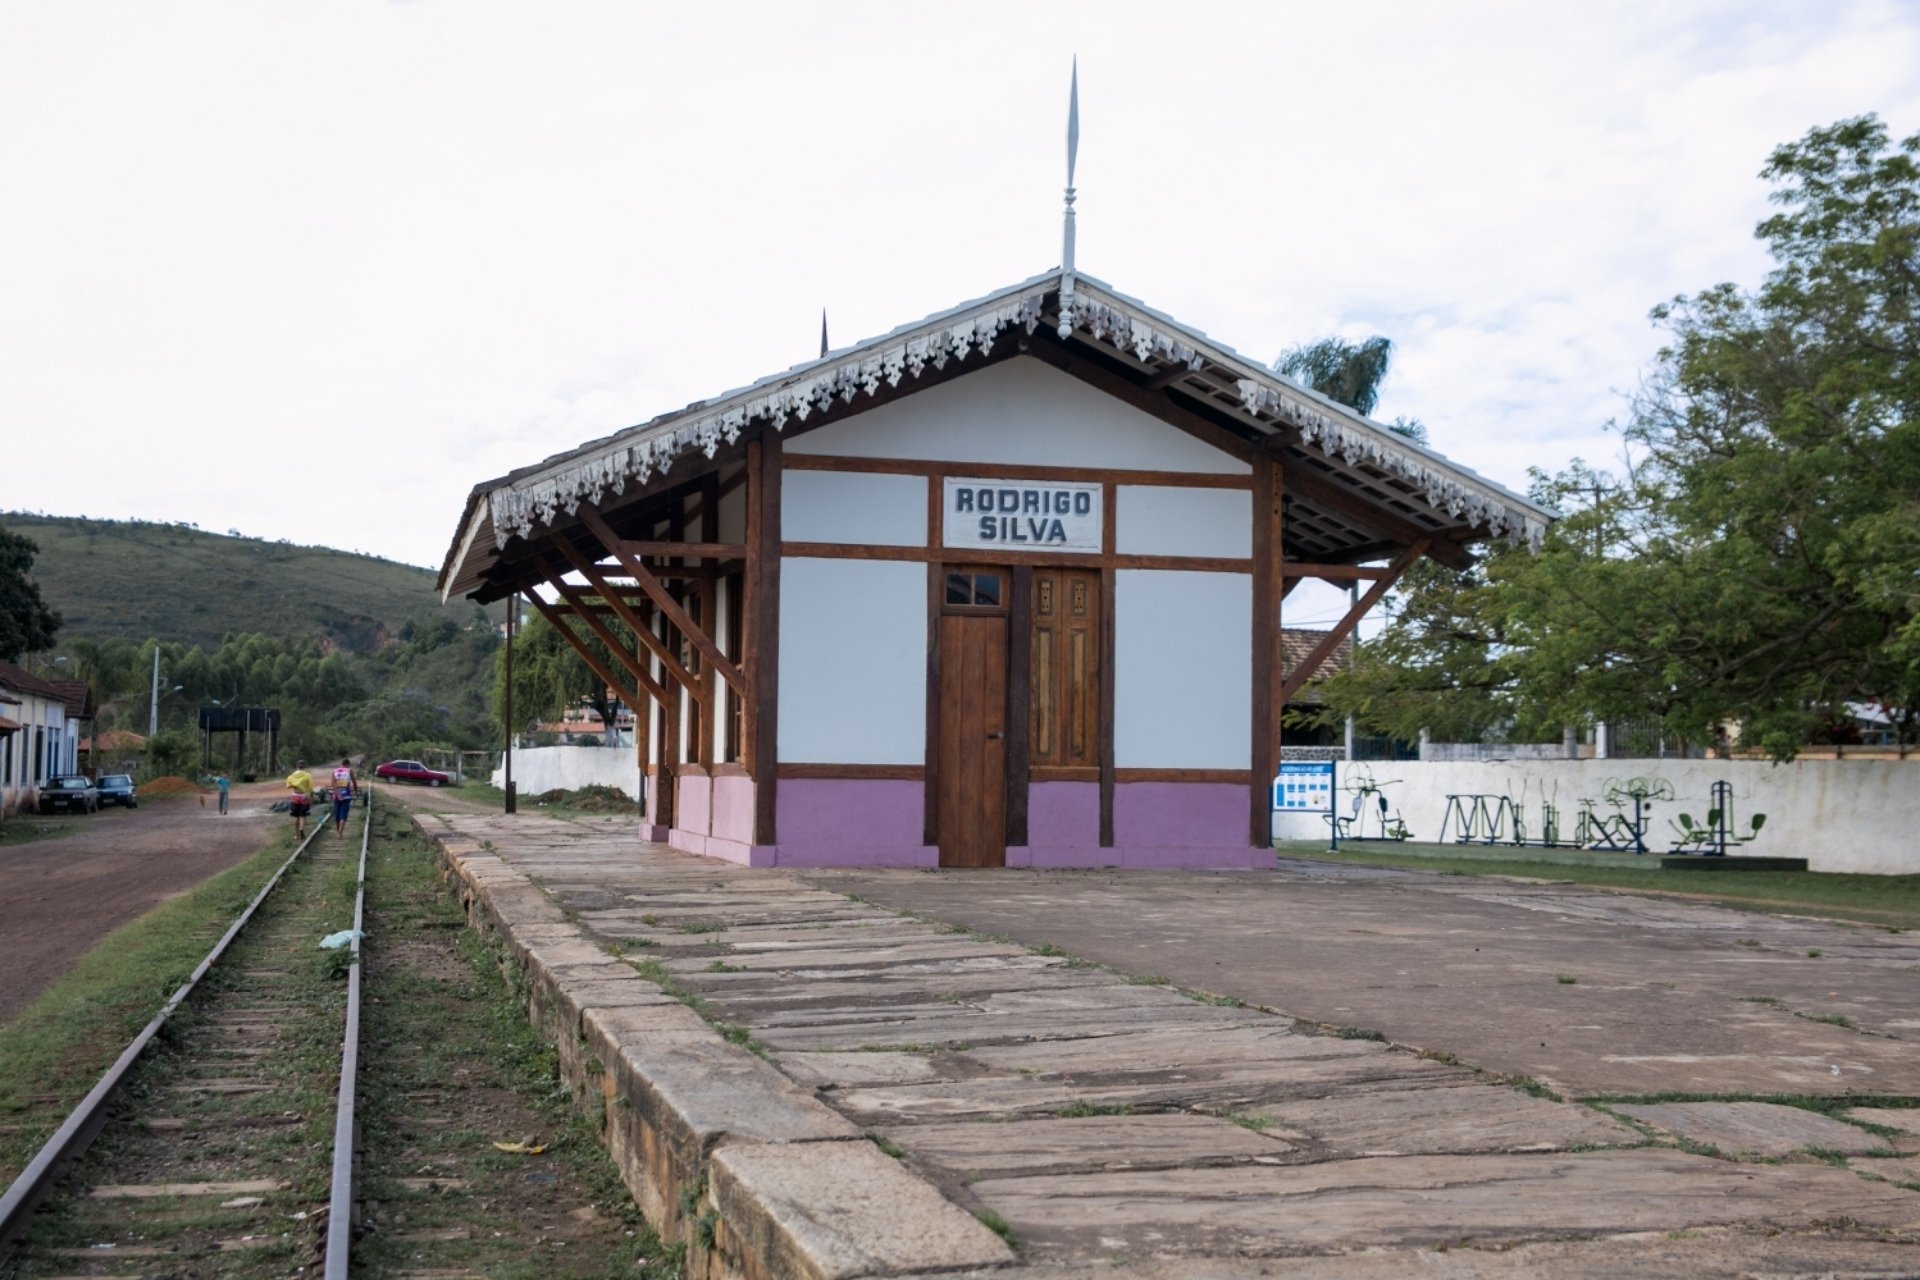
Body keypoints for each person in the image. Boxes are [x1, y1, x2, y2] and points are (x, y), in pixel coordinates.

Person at [285, 760, 315, 837]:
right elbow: (311, 788)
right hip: (304, 797)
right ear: (304, 767)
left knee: (296, 816)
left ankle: (296, 835)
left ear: (296, 766)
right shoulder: (307, 775)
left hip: (295, 796)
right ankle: (301, 828)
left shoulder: (292, 776)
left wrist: (295, 786)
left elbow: (288, 786)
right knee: (303, 815)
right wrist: (311, 797)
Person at [330, 758, 357, 837]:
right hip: (346, 795)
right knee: (343, 815)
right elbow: (354, 782)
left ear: (341, 764)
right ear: (348, 764)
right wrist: (355, 791)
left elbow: (333, 784)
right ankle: (340, 833)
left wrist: (337, 793)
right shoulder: (349, 770)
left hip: (337, 796)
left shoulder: (334, 771)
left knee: (337, 815)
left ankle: (338, 831)